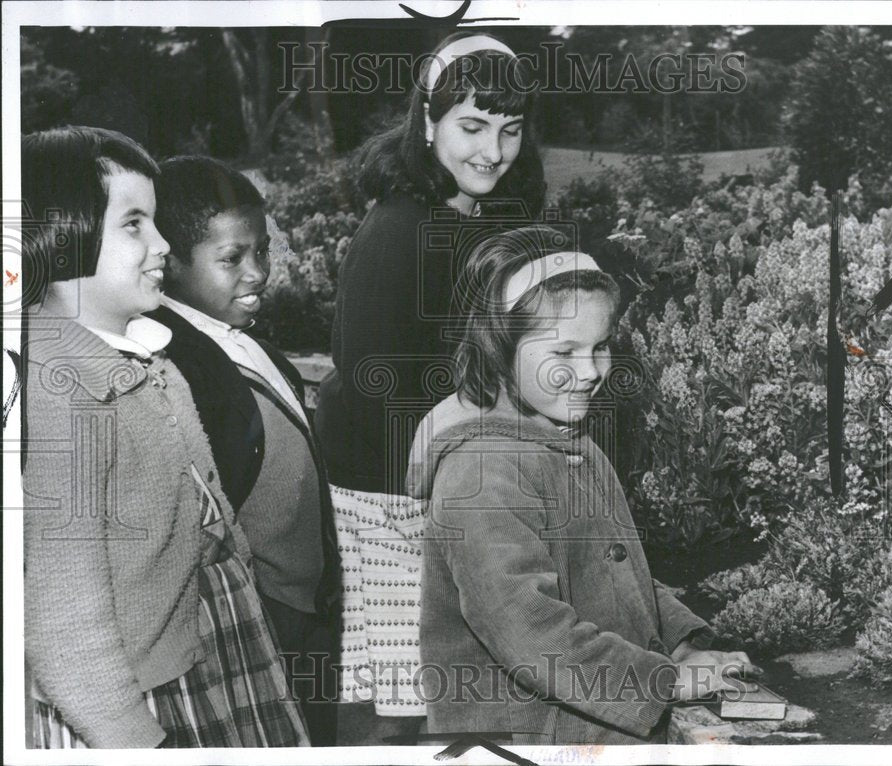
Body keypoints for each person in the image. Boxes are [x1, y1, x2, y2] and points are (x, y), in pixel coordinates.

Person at [406, 226, 761, 744]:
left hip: (585, 725)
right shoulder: (482, 472)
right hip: (521, 738)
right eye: (564, 352)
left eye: (600, 347)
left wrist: (681, 642)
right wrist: (661, 679)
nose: (591, 371)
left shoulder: (572, 442)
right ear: (499, 349)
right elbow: (526, 628)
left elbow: (619, 570)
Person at [20, 127, 308, 748]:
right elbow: (63, 621)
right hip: (127, 698)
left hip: (202, 643)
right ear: (64, 232)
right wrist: (135, 740)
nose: (161, 243)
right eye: (134, 224)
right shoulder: (59, 396)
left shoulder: (153, 358)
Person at [313, 32, 545, 740]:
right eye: (472, 126)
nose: (492, 151)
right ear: (427, 122)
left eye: (509, 130)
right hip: (391, 504)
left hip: (442, 491)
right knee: (406, 709)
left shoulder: (467, 217)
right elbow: (371, 384)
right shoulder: (400, 230)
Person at [147, 155, 339, 744]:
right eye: (231, 259)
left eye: (262, 252)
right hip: (260, 612)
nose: (257, 273)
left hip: (306, 606)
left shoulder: (247, 344)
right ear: (171, 262)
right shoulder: (180, 361)